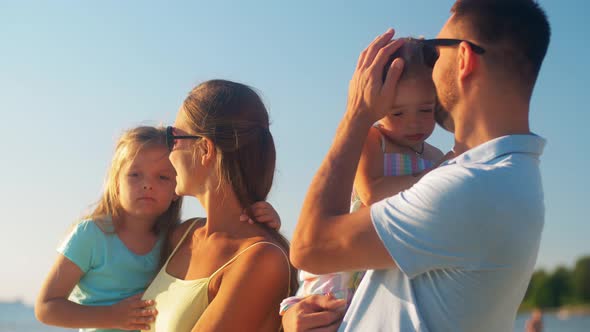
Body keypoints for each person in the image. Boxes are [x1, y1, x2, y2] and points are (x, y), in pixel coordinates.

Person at [288, 0, 550, 331]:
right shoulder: (500, 178)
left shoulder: (471, 188)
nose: (428, 67)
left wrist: (356, 114)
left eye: (433, 52)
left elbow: (309, 248)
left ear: (464, 59)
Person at [35, 126, 281, 332]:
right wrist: (111, 317)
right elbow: (46, 307)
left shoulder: (178, 239)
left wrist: (262, 219)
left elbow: (226, 240)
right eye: (135, 175)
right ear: (116, 183)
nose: (147, 185)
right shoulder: (91, 235)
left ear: (176, 189)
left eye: (162, 178)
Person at [279, 39, 444, 316]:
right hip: (346, 267)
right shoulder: (372, 139)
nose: (413, 122)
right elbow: (372, 192)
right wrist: (433, 177)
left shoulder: (436, 155)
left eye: (426, 110)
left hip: (392, 269)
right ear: (379, 107)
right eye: (398, 112)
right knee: (328, 314)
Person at [141, 79, 298, 332]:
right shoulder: (183, 235)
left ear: (205, 149)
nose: (168, 152)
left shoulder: (261, 259)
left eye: (173, 137)